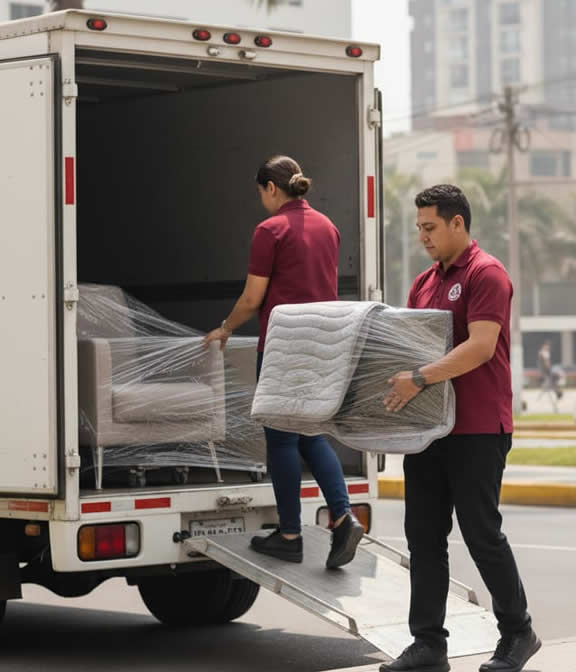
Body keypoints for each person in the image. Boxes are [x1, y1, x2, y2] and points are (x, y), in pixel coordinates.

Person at [380, 185, 539, 672]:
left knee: (481, 533)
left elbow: (481, 346)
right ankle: (428, 644)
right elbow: (411, 346)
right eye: (419, 228)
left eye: (430, 227)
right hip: (431, 429)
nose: (423, 237)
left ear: (457, 223)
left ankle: (518, 631)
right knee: (423, 536)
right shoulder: (424, 283)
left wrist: (419, 378)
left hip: (478, 427)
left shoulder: (486, 273)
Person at [204, 155, 363, 569]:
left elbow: (252, 299)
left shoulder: (270, 230)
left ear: (271, 188)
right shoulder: (328, 227)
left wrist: (225, 328)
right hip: (324, 345)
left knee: (281, 441)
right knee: (311, 434)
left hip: (284, 347)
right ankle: (343, 516)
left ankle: (290, 535)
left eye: (261, 192)